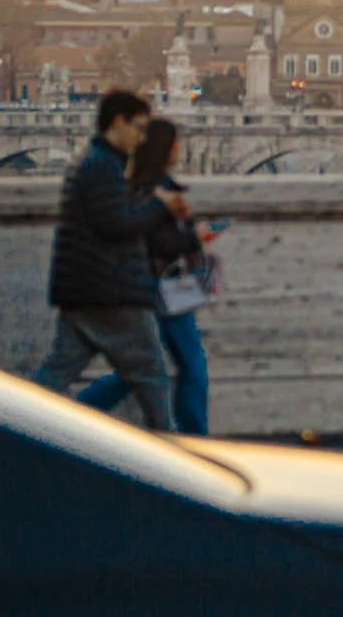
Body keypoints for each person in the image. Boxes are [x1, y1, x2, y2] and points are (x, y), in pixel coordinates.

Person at [30, 90, 190, 431]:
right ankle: (174, 456)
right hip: (111, 292)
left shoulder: (93, 162)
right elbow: (116, 226)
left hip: (85, 289)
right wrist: (160, 205)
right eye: (139, 127)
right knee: (152, 376)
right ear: (118, 122)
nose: (142, 137)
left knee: (56, 373)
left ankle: (8, 424)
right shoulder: (101, 168)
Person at [77, 119, 213, 433]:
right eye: (176, 143)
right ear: (165, 149)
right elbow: (157, 241)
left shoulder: (138, 183)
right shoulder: (158, 189)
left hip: (145, 286)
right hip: (161, 289)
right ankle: (195, 438)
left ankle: (75, 415)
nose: (180, 148)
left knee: (141, 369)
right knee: (191, 368)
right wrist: (197, 236)